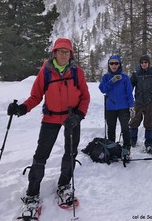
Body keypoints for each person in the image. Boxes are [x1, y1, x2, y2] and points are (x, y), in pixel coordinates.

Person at [7, 38, 90, 216]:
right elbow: (35, 96)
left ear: (71, 54)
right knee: (40, 156)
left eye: (66, 52)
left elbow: (85, 97)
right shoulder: (45, 72)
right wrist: (22, 108)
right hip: (51, 118)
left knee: (70, 152)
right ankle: (32, 195)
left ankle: (64, 185)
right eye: (60, 51)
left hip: (72, 119)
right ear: (54, 53)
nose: (63, 54)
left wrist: (79, 115)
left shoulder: (78, 72)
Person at [98, 55, 134, 160]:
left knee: (125, 129)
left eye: (116, 63)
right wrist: (112, 80)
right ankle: (112, 150)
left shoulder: (125, 77)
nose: (114, 65)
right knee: (111, 130)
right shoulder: (106, 77)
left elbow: (129, 93)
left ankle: (126, 150)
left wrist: (131, 106)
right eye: (111, 63)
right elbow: (103, 89)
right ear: (109, 65)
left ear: (119, 64)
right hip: (110, 108)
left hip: (123, 107)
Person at [129, 55, 152, 154]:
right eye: (142, 62)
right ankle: (132, 141)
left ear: (148, 63)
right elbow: (130, 85)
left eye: (145, 62)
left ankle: (148, 144)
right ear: (140, 63)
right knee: (134, 121)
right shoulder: (135, 73)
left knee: (149, 124)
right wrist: (127, 95)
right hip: (138, 101)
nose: (144, 64)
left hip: (149, 102)